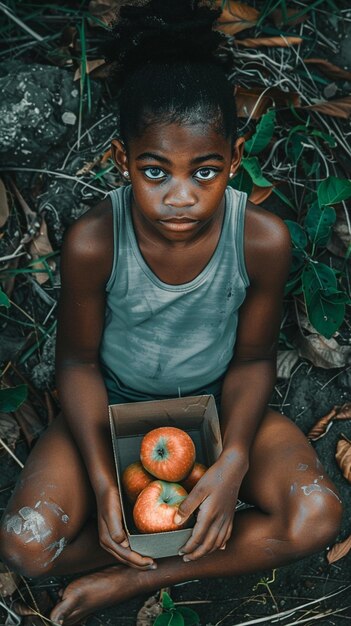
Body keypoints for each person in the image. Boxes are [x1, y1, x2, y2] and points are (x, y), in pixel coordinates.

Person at [0, 1, 342, 624]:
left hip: (217, 407)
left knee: (316, 513)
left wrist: (234, 455)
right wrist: (106, 483)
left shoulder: (260, 240)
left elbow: (252, 359)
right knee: (26, 544)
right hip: (110, 412)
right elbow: (76, 363)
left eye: (205, 171)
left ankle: (135, 577)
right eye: (154, 171)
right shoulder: (96, 241)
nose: (180, 196)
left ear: (234, 161)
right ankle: (140, 538)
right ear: (120, 160)